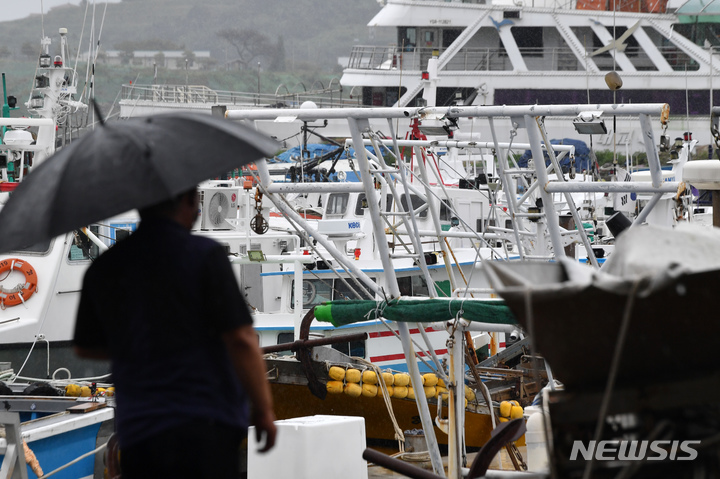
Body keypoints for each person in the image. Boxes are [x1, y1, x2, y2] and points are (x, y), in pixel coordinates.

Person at [74, 188, 276, 478]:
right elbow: (241, 340)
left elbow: (86, 347)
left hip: (141, 430)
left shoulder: (104, 268)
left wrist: (141, 342)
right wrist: (264, 410)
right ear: (189, 201)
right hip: (207, 425)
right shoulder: (206, 256)